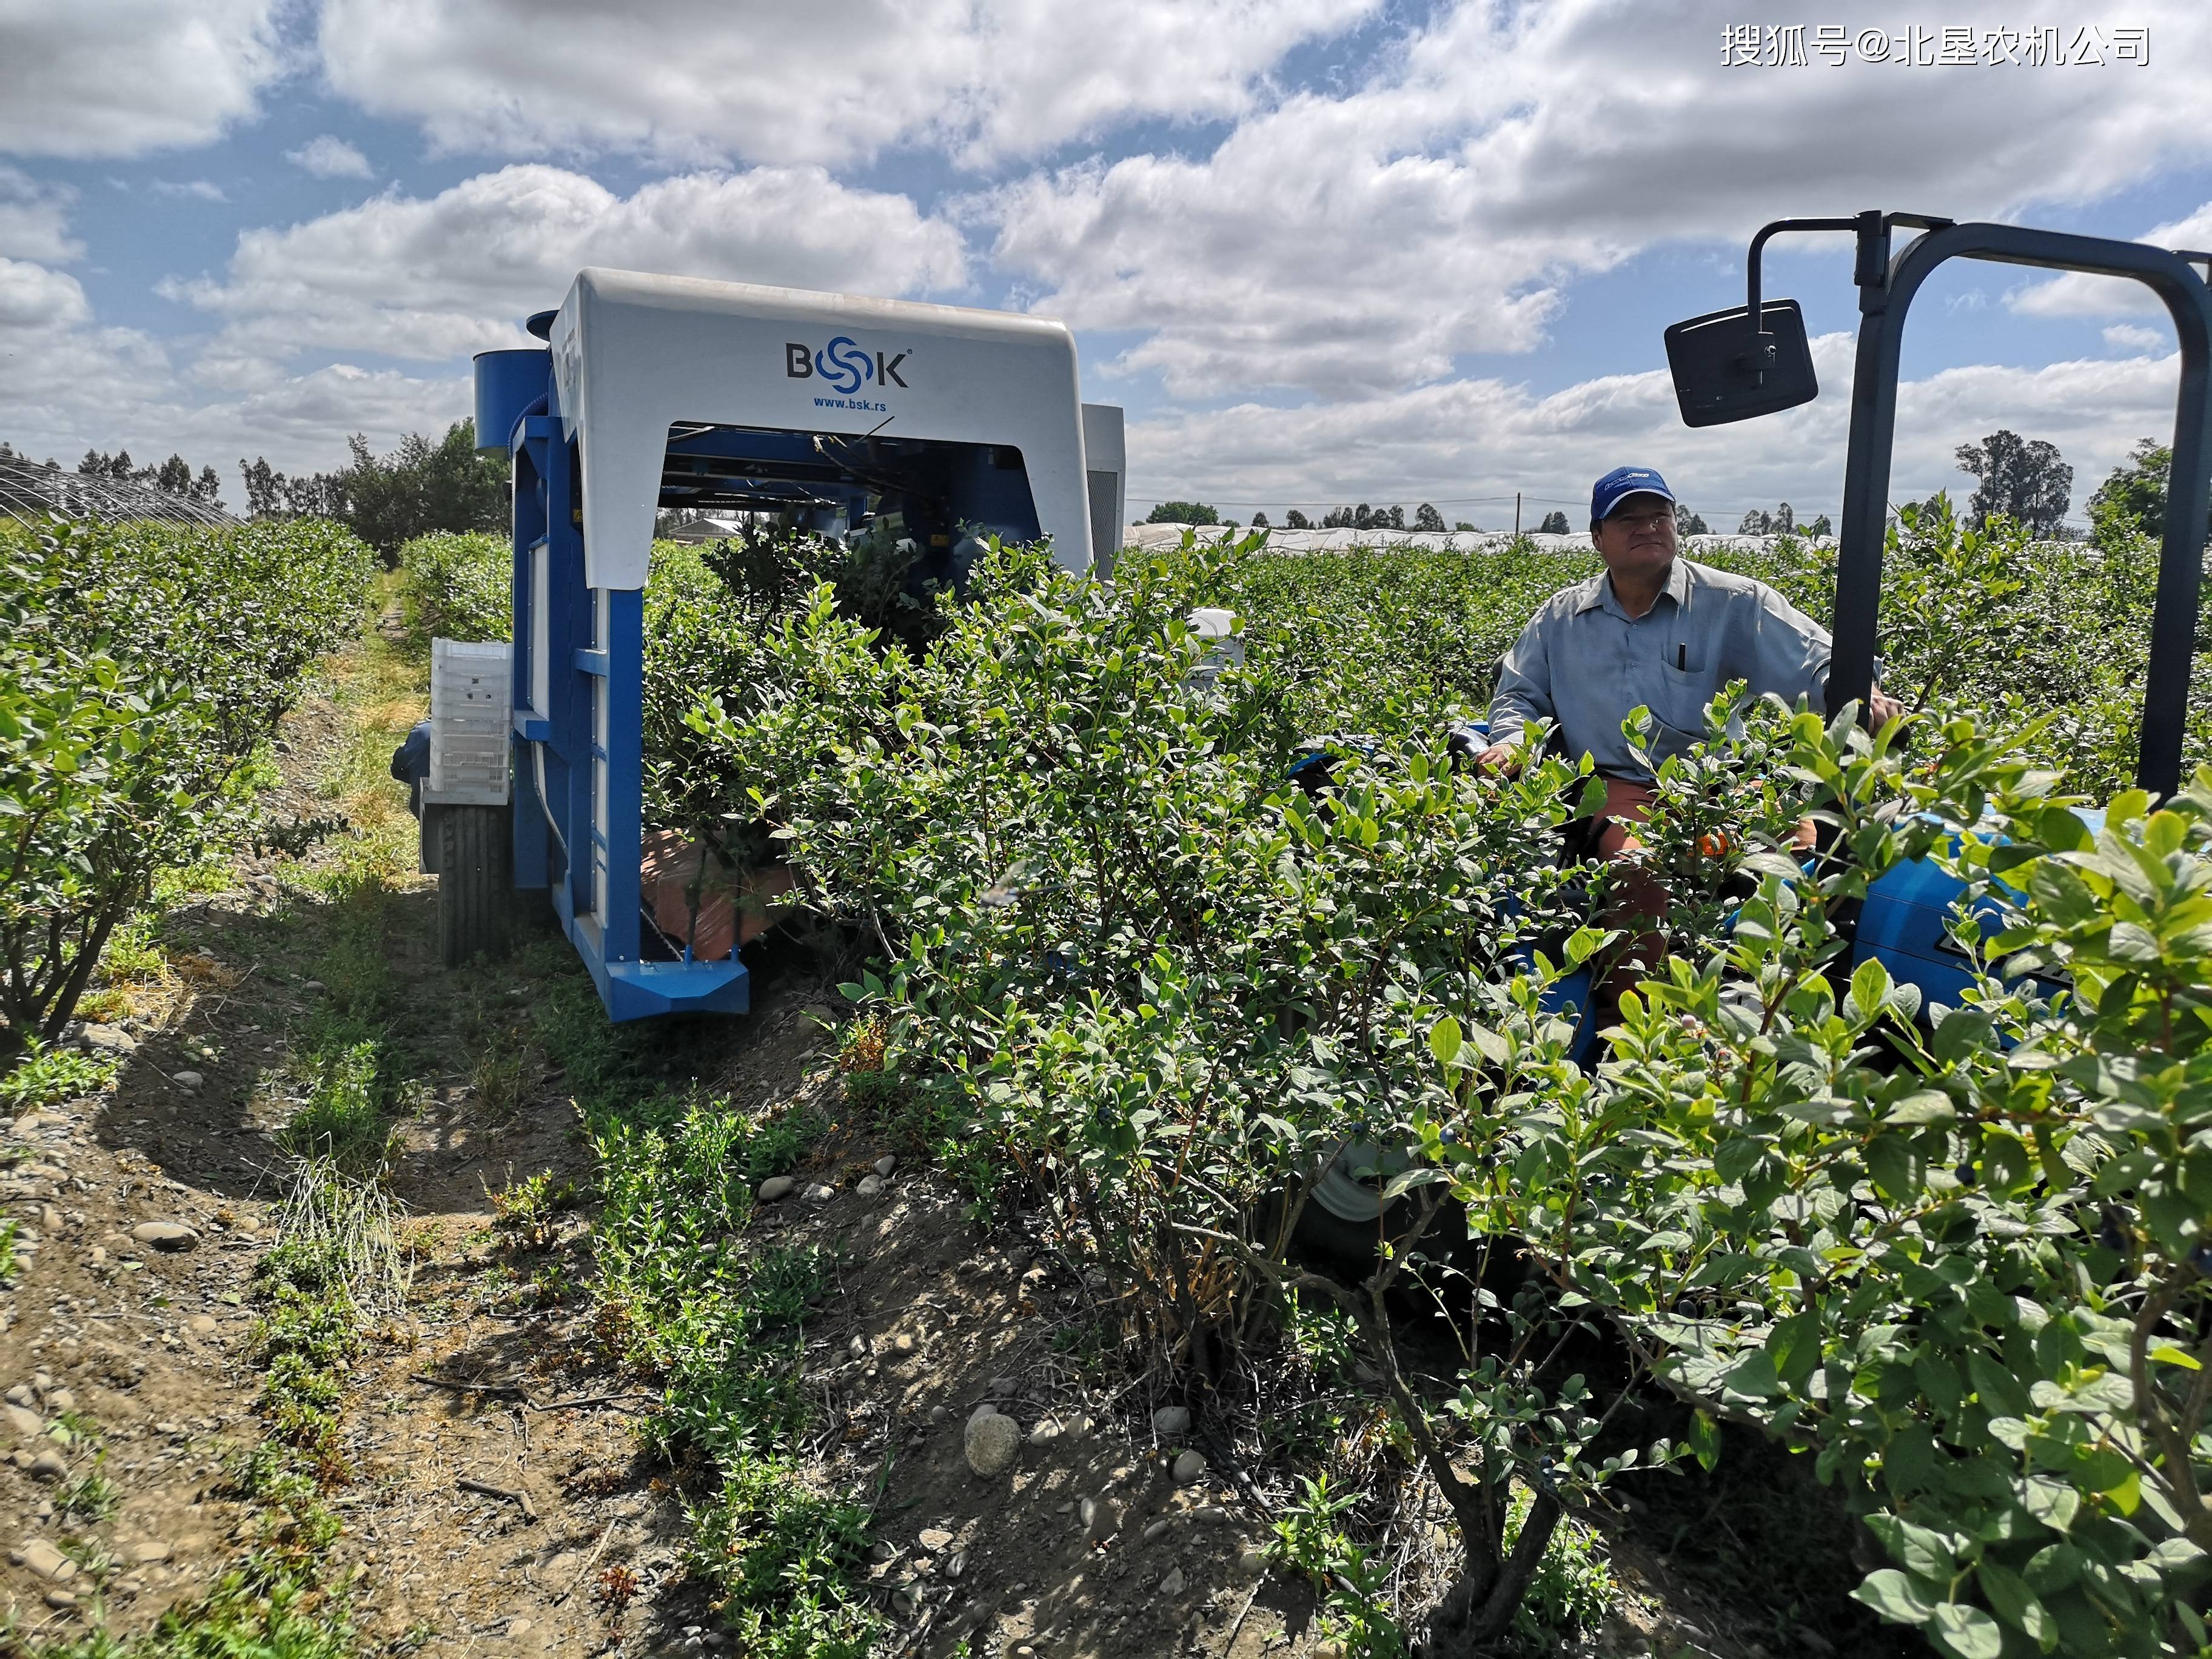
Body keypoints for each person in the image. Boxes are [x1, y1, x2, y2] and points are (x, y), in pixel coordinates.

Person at [1464, 464, 1901, 995]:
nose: (1647, 527)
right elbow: (1520, 694)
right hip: (1617, 783)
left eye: (1659, 515)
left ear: (1677, 525)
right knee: (1640, 870)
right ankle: (1632, 1028)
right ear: (1598, 538)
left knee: (1803, 864)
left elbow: (1819, 660)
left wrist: (1859, 692)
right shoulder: (1561, 618)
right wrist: (1513, 742)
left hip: (1723, 784)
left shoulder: (1736, 602)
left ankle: (1766, 1007)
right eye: (1628, 519)